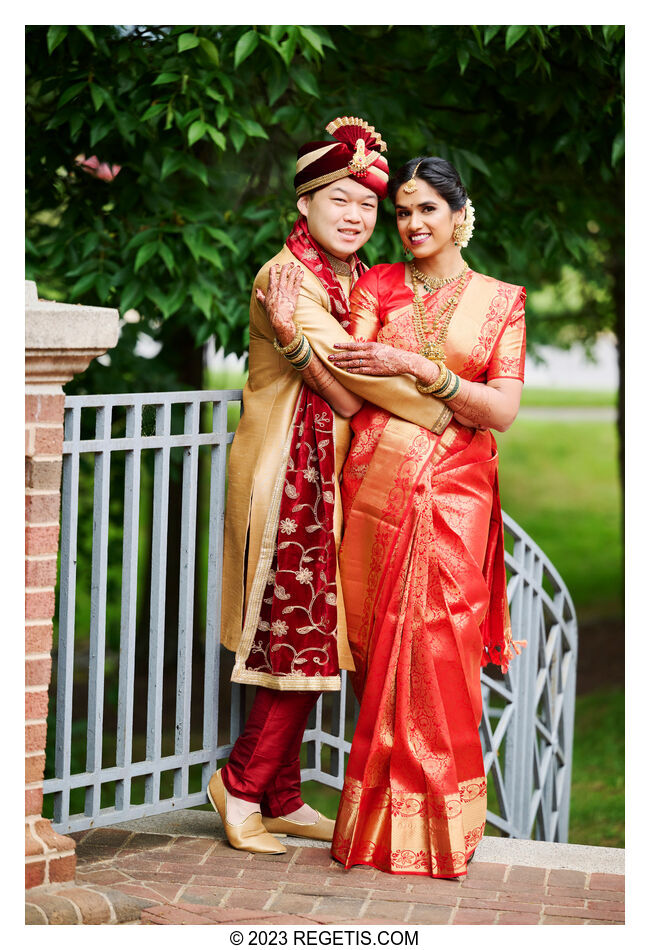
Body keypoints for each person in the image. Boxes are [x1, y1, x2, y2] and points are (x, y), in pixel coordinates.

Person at [261, 155, 527, 878]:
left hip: (458, 493)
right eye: (402, 211)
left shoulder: (502, 301)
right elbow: (350, 383)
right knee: (387, 653)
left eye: (425, 211)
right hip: (380, 481)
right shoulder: (378, 285)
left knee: (445, 653)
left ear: (458, 215)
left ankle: (445, 828)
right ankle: (381, 831)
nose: (411, 224)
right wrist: (297, 336)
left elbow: (501, 409)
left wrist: (419, 370)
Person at [209, 121, 452, 855]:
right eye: (340, 199)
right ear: (306, 201)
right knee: (298, 637)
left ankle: (280, 793)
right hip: (289, 474)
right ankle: (241, 787)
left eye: (369, 206)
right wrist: (451, 407)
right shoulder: (283, 276)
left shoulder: (349, 278)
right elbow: (350, 387)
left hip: (334, 479)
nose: (356, 216)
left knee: (315, 634)